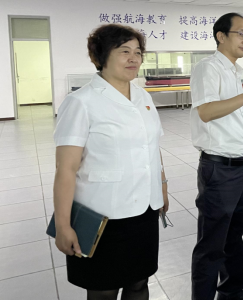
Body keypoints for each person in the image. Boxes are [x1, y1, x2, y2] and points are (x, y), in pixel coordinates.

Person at [53, 24, 169, 300]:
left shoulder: (143, 97)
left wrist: (162, 186)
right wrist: (62, 225)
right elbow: (66, 169)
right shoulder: (81, 102)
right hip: (104, 216)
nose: (133, 58)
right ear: (101, 56)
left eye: (138, 52)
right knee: (103, 289)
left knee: (139, 282)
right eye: (124, 51)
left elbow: (152, 147)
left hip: (144, 209)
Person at [190, 12, 243, 300]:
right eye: (241, 33)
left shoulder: (234, 71)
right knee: (212, 243)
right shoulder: (208, 68)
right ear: (221, 36)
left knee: (234, 234)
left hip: (241, 166)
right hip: (219, 169)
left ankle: (232, 293)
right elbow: (206, 112)